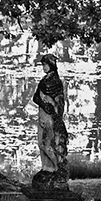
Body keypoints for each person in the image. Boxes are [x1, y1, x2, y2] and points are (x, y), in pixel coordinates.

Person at [31, 53, 69, 192]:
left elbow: (60, 102)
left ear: (51, 65)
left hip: (51, 117)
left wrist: (54, 110)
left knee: (48, 144)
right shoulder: (43, 81)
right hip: (42, 115)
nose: (44, 67)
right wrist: (43, 104)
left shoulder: (56, 82)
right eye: (43, 65)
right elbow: (35, 97)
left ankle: (57, 167)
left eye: (46, 64)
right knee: (40, 143)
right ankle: (47, 168)